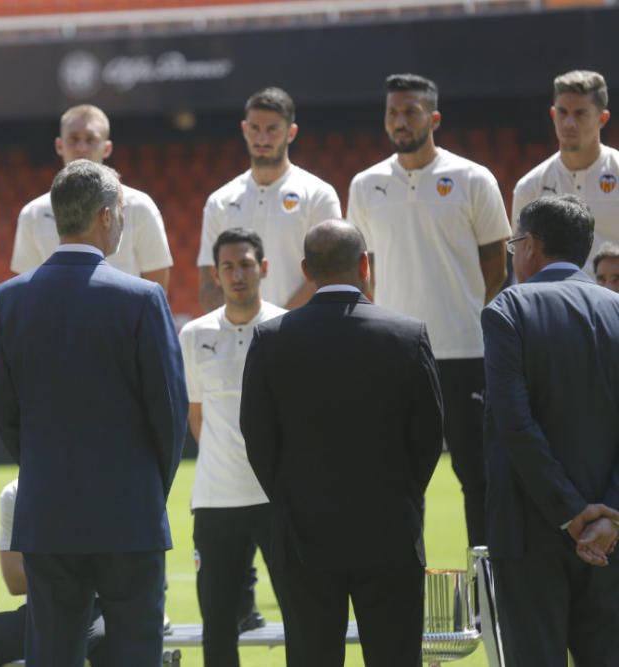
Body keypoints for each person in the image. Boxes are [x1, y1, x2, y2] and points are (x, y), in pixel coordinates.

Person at [0, 159, 187, 666]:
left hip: (49, 513)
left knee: (53, 654)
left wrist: (46, 474)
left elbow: (7, 414)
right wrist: (146, 489)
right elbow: (168, 414)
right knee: (135, 654)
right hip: (129, 514)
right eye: (121, 210)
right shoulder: (142, 298)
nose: (123, 220)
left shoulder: (9, 299)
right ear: (104, 215)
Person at [240, 220, 444, 667]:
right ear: (364, 265)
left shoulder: (272, 338)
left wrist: (290, 498)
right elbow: (429, 435)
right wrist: (402, 495)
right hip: (390, 530)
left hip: (303, 536)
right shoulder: (407, 336)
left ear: (306, 270)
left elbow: (257, 436)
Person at [347, 73, 511, 547]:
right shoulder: (365, 184)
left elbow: (495, 267)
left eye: (411, 111)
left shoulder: (472, 178)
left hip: (465, 352)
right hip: (397, 354)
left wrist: (471, 322)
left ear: (434, 117)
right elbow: (364, 269)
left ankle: (487, 591)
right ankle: (399, 587)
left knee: (476, 476)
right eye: (393, 112)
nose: (400, 121)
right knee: (396, 479)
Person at [483, 194, 619, 666]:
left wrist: (572, 511)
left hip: (529, 529)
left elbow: (514, 425)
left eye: (514, 243)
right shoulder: (617, 307)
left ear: (532, 246)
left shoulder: (507, 310)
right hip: (609, 535)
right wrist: (607, 514)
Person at [178, 228, 285, 667]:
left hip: (277, 501)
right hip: (215, 502)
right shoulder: (194, 334)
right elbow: (196, 413)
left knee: (304, 618)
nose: (237, 274)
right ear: (216, 275)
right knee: (218, 632)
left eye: (245, 264)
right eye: (227, 266)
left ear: (263, 269)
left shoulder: (285, 328)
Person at [198, 87, 341, 312]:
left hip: (302, 335)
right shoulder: (220, 201)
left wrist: (277, 327)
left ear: (291, 133)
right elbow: (209, 282)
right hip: (242, 342)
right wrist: (245, 327)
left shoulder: (319, 195)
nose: (262, 138)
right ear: (244, 129)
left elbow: (329, 275)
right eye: (255, 128)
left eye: (272, 129)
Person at [0, 479, 108, 667]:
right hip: (41, 607)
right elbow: (15, 581)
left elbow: (116, 574)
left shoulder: (99, 486)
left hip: (97, 607)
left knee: (108, 642)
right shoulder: (15, 492)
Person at [11, 104, 173, 290]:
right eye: (74, 139)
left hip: (120, 318)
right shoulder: (32, 213)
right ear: (59, 145)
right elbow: (27, 287)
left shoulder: (139, 206)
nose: (81, 147)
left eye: (90, 139)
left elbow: (156, 285)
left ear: (106, 148)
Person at [512, 71, 619, 269]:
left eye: (580, 113)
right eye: (563, 112)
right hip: (555, 300)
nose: (569, 123)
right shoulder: (530, 187)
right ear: (553, 114)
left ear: (602, 119)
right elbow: (522, 264)